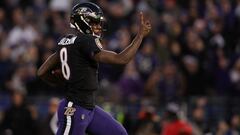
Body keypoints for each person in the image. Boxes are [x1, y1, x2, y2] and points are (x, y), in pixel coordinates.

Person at [37, 2, 151, 135]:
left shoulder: (67, 42)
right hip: (74, 107)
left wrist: (61, 80)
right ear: (82, 21)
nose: (98, 27)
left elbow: (42, 72)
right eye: (94, 22)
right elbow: (121, 59)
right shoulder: (85, 41)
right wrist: (139, 37)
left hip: (88, 107)